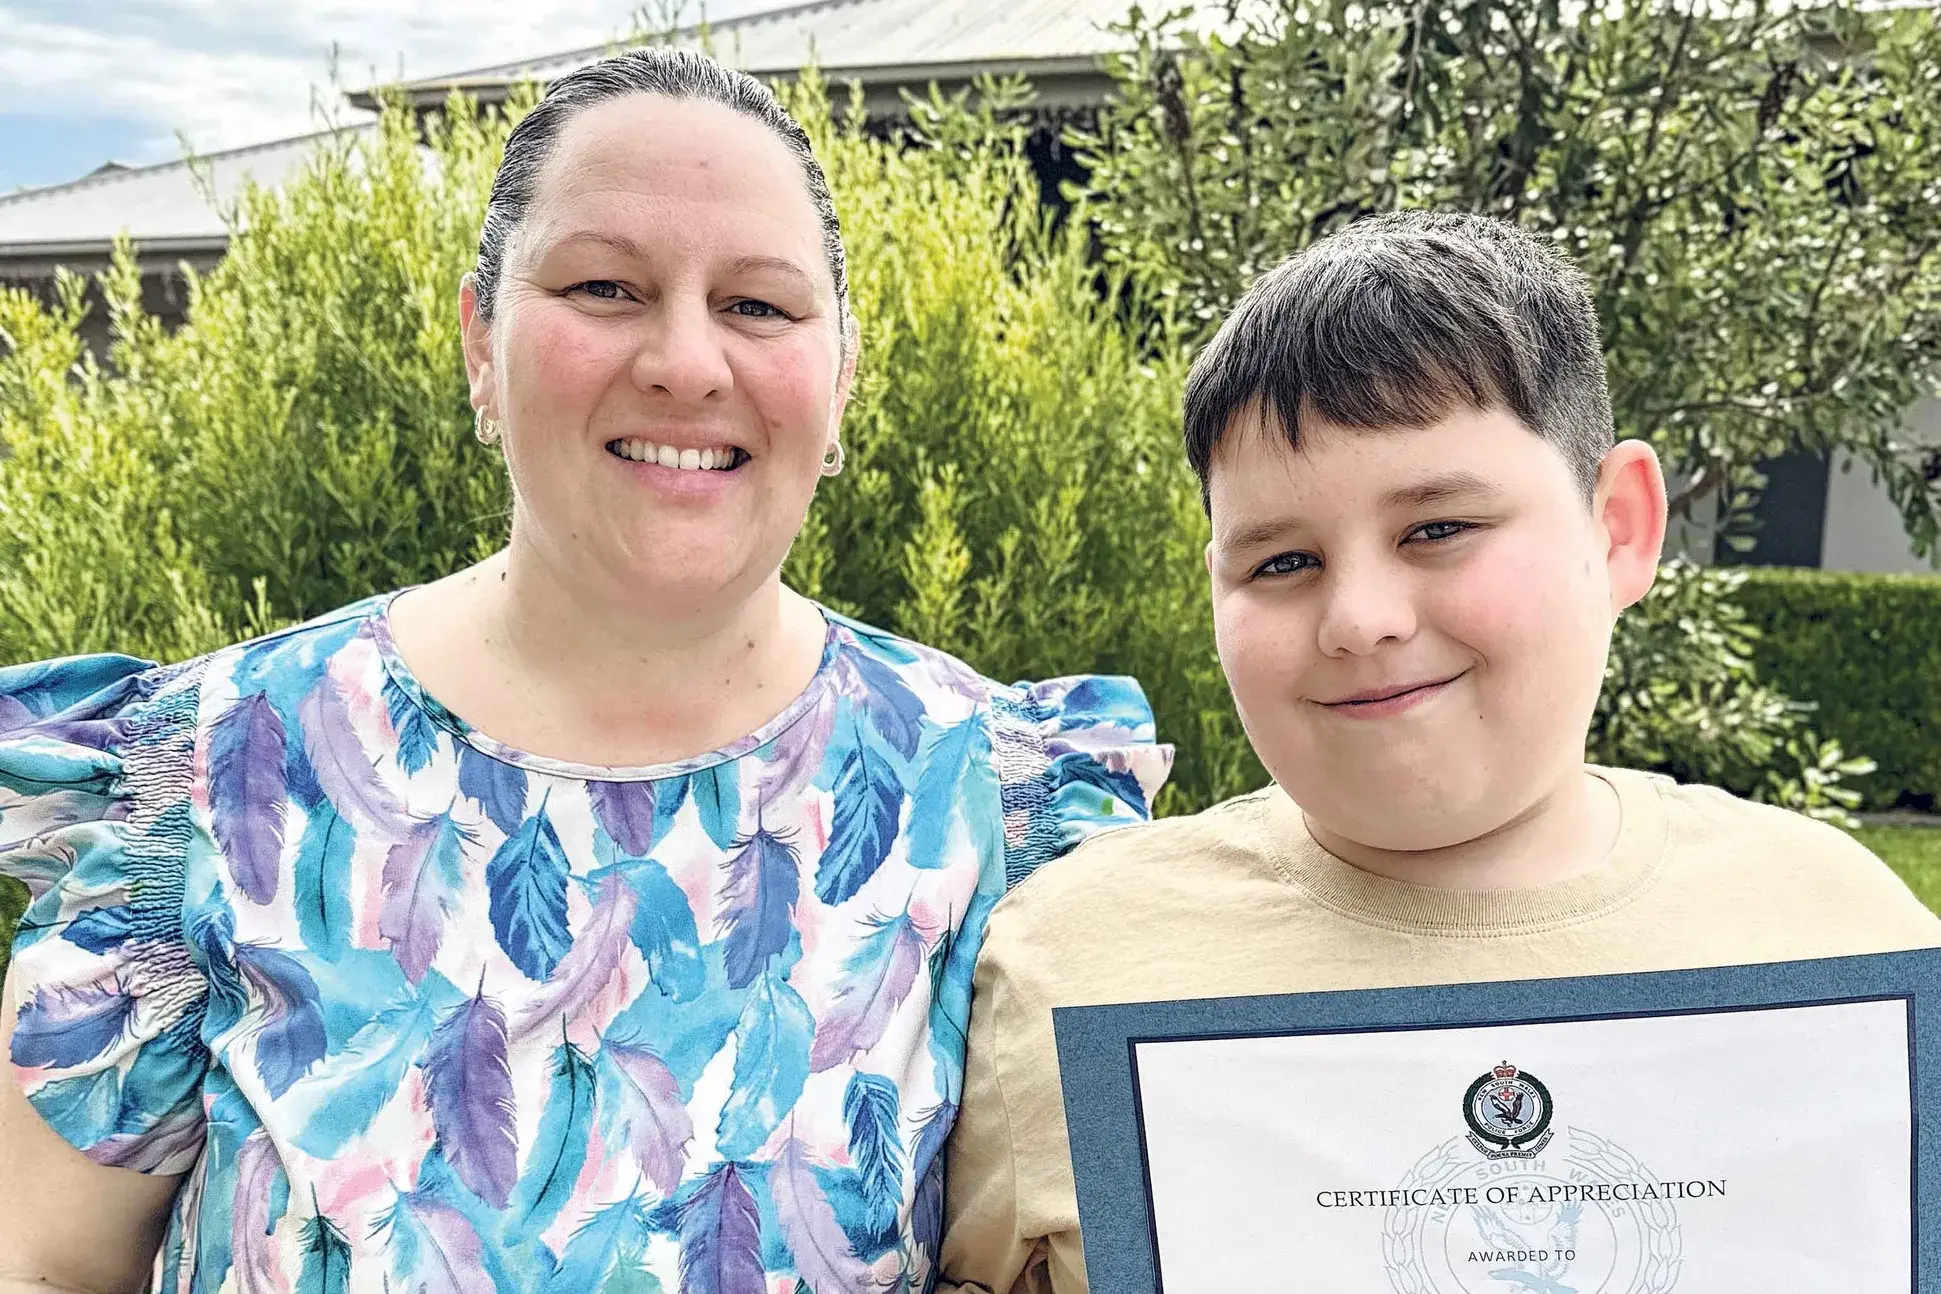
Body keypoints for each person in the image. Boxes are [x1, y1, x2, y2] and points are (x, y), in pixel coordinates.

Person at [0, 48, 1170, 1294]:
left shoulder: (994, 808)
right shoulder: (213, 774)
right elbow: (44, 1266)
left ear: (841, 378)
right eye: (605, 285)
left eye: (759, 306)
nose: (686, 361)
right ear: (480, 341)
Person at [935, 211, 1940, 1293]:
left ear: (1619, 528)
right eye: (1281, 562)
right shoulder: (1065, 959)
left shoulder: (1840, 932)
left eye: (1437, 529)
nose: (1359, 618)